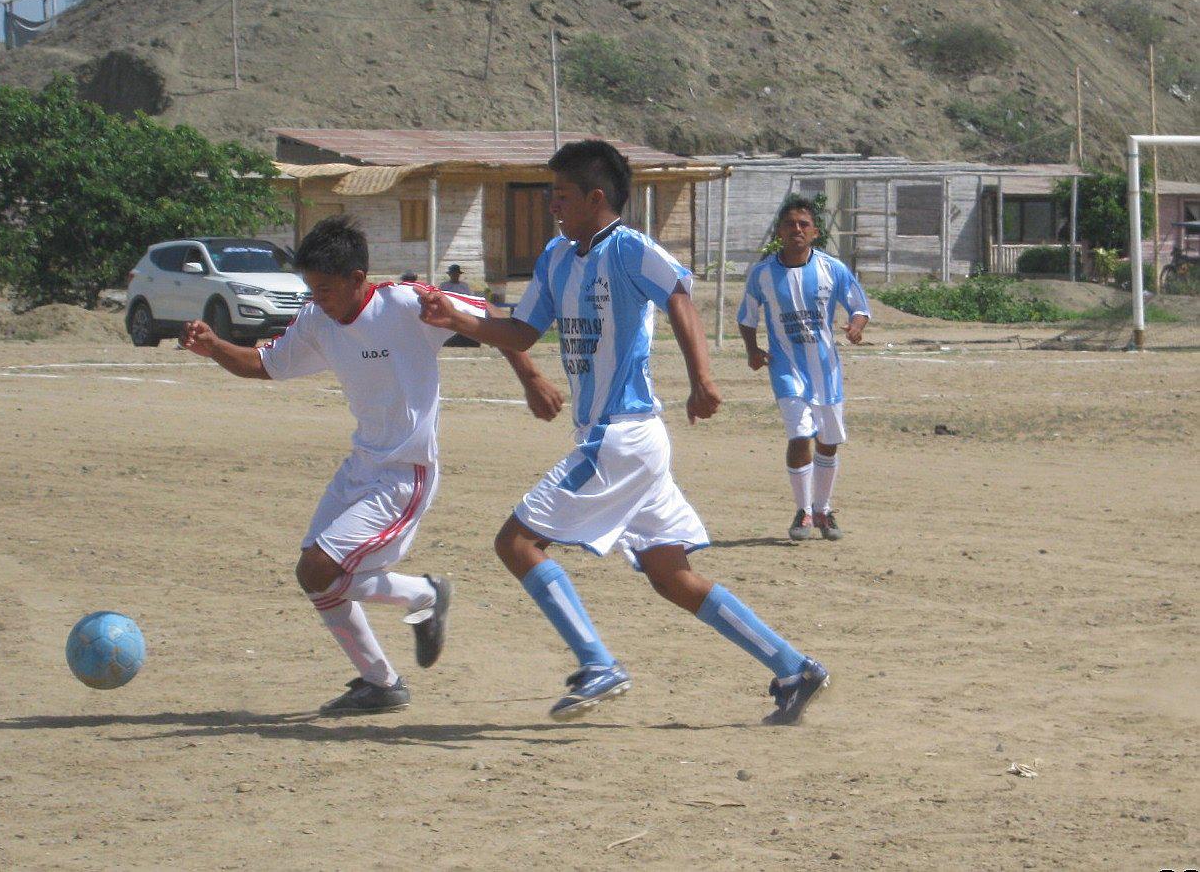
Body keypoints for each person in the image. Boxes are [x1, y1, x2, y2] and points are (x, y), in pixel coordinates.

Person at [416, 140, 829, 726]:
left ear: (595, 197)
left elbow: (680, 294)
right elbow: (523, 333)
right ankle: (793, 667)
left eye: (560, 196)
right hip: (627, 441)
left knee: (517, 543)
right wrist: (458, 319)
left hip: (622, 435)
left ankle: (597, 663)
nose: (552, 206)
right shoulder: (557, 258)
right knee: (670, 574)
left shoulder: (631, 249)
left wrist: (702, 379)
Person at [180, 215, 563, 715]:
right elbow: (264, 364)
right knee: (313, 574)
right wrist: (214, 348)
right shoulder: (317, 320)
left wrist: (531, 378)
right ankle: (381, 682)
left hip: (406, 472)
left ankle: (424, 596)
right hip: (361, 467)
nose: (317, 299)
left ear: (357, 279)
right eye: (310, 289)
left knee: (322, 568)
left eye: (324, 289)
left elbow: (492, 317)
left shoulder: (405, 304)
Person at [736, 195, 870, 542]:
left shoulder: (832, 269)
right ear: (779, 231)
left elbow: (859, 306)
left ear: (814, 232)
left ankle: (824, 509)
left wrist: (856, 327)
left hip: (827, 371)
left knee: (828, 441)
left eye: (803, 224)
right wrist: (753, 350)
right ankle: (803, 510)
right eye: (789, 224)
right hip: (786, 370)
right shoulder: (763, 274)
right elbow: (747, 317)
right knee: (799, 435)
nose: (796, 229)